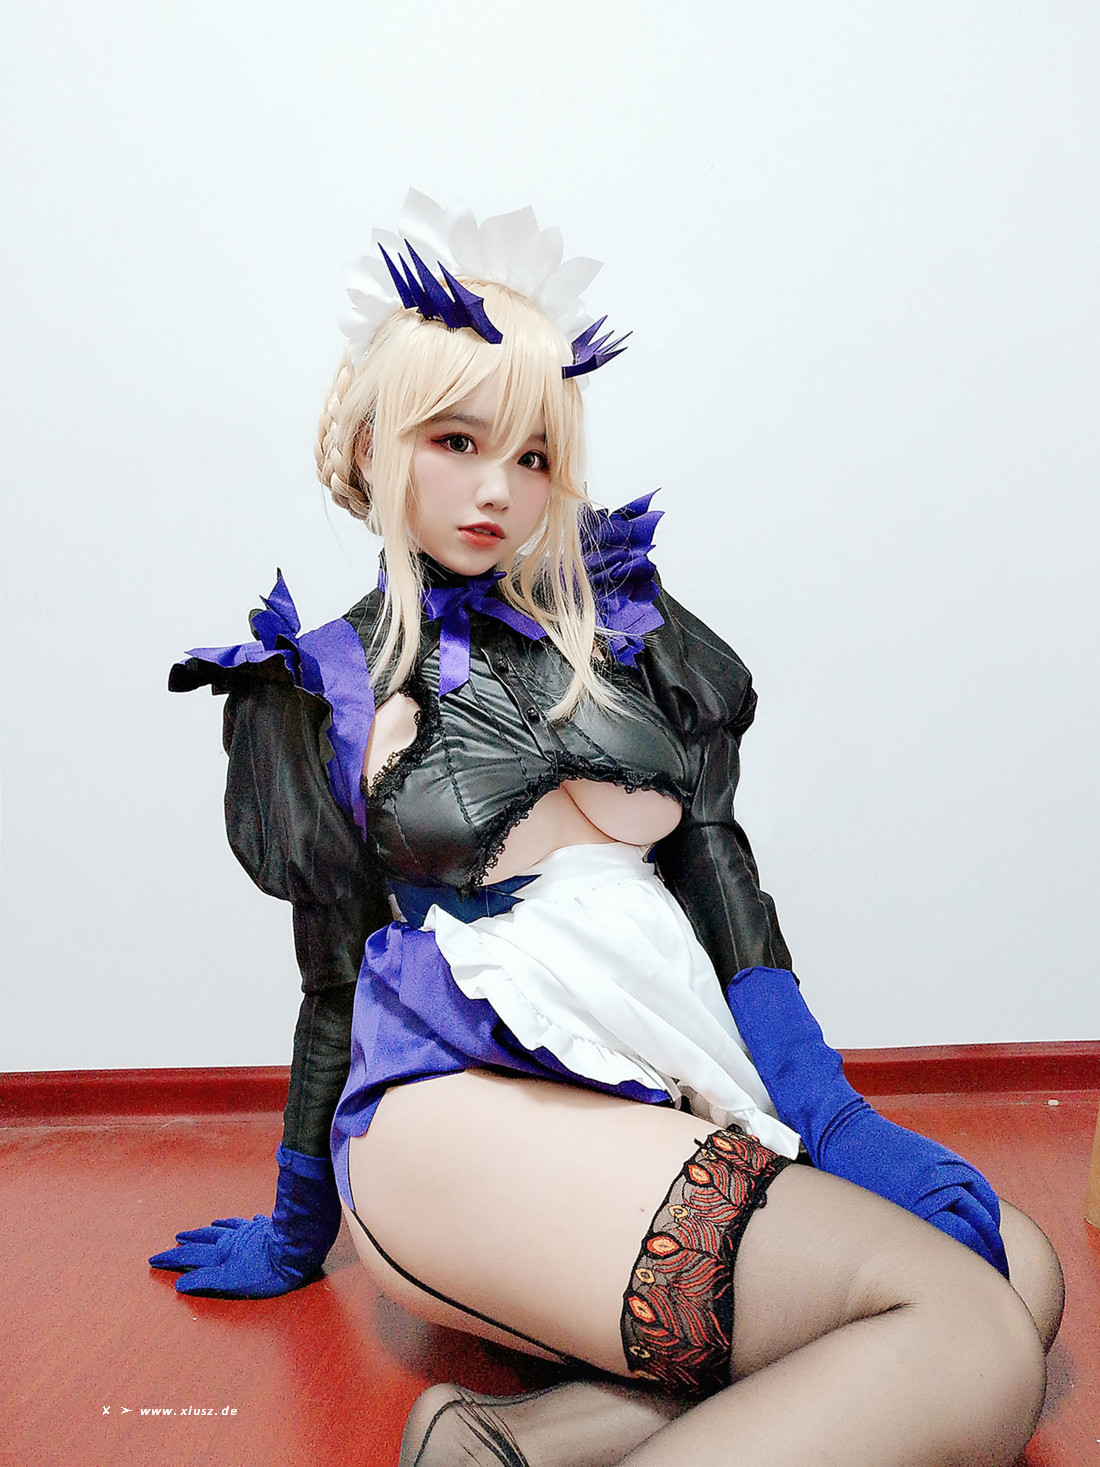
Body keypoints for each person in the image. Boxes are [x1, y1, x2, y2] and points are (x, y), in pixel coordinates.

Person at [151, 193, 1063, 1466]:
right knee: (966, 1337)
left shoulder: (620, 621)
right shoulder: (318, 689)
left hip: (645, 1071)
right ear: (371, 442)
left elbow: (711, 862)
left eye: (532, 456)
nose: (497, 489)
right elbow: (334, 975)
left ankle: (512, 1446)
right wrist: (298, 1223)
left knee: (1016, 1270)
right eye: (456, 440)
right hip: (459, 1108)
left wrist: (830, 1109)